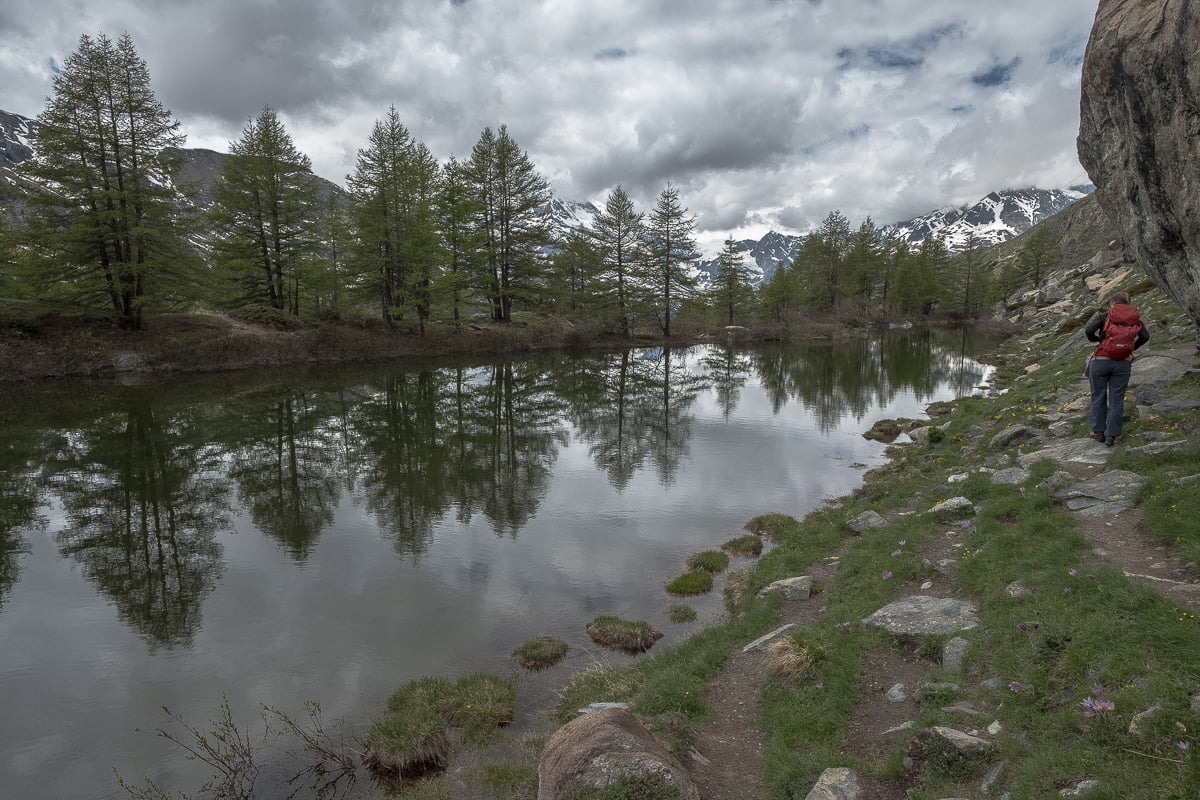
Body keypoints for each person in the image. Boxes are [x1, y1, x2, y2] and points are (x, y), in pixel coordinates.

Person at [1084, 291, 1149, 446]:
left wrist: (1098, 340)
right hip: (1122, 364)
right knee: (1117, 399)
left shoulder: (1105, 316)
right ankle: (1111, 435)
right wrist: (1131, 348)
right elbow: (1145, 337)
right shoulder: (1135, 319)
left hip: (1100, 361)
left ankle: (1098, 432)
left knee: (1098, 396)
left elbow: (1088, 330)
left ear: (1113, 304)